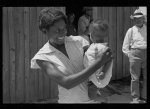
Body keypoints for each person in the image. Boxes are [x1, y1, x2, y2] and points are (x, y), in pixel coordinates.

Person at [30, 8, 113, 103]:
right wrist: (99, 63)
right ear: (45, 31)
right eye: (57, 30)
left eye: (64, 28)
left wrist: (105, 60)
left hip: (90, 99)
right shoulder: (43, 57)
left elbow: (97, 58)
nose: (62, 33)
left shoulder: (79, 42)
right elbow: (66, 82)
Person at [83, 19, 113, 102]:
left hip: (95, 78)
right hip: (92, 77)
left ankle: (104, 99)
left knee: (90, 96)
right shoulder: (94, 46)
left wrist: (103, 71)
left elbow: (109, 60)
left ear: (91, 35)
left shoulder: (104, 49)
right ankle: (102, 98)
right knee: (90, 95)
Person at [122, 9, 147, 103]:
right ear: (134, 20)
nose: (138, 20)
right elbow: (125, 45)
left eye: (140, 18)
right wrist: (130, 55)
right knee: (135, 78)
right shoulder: (131, 30)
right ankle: (135, 98)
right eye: (136, 18)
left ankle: (144, 96)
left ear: (143, 18)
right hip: (134, 54)